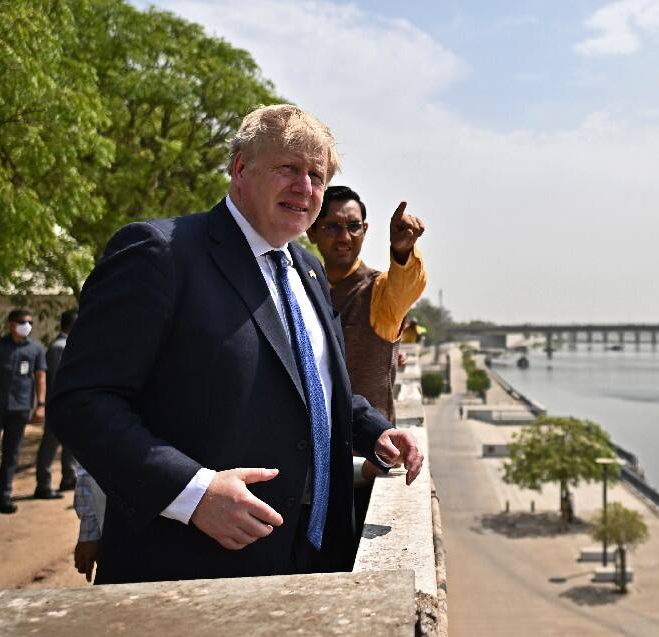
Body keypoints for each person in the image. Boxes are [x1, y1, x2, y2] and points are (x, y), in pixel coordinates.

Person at [50, 104, 423, 583]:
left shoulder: (308, 271)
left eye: (316, 175)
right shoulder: (161, 253)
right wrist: (193, 492)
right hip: (190, 564)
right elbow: (82, 401)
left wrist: (375, 431)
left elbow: (313, 386)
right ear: (241, 168)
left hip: (312, 555)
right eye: (288, 168)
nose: (305, 187)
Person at [306, 185, 427, 421]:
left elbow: (406, 285)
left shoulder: (378, 291)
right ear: (312, 232)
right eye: (333, 227)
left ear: (365, 230)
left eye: (353, 226)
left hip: (370, 441)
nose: (344, 237)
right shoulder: (303, 288)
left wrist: (403, 252)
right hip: (311, 438)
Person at [0, 308, 47, 517]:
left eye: (30, 322)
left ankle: (3, 497)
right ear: (11, 325)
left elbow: (40, 377)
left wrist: (40, 404)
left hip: (20, 408)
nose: (27, 326)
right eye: (23, 322)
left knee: (11, 454)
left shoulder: (36, 349)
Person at [33, 308, 79, 499]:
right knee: (50, 445)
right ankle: (43, 485)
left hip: (70, 405)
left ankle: (69, 477)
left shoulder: (69, 344)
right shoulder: (59, 347)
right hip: (59, 406)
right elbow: (58, 380)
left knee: (71, 443)